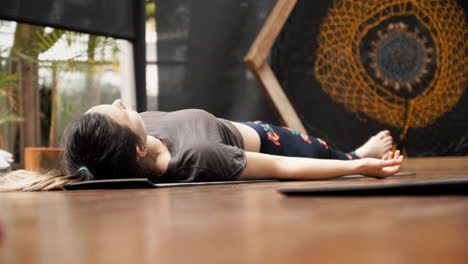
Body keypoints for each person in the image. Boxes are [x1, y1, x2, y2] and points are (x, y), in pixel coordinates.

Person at [0, 99, 403, 191]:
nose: (122, 102)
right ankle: (358, 152)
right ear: (136, 150)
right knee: (330, 152)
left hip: (250, 128)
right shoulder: (199, 157)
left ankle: (356, 152)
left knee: (332, 149)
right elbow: (285, 169)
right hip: (279, 146)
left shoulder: (135, 138)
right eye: (118, 110)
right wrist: (357, 169)